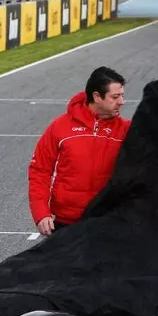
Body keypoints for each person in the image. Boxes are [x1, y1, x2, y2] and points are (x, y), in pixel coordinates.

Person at [28, 67, 130, 235]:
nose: (121, 102)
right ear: (97, 96)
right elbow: (40, 170)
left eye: (122, 96)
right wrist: (41, 213)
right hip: (66, 224)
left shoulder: (126, 130)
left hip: (108, 223)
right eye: (115, 97)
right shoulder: (60, 127)